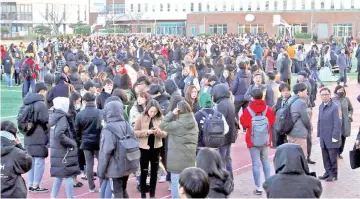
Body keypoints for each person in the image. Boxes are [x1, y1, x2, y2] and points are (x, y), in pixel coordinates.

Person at [159, 101, 199, 199]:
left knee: (176, 185)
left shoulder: (177, 125)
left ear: (178, 111)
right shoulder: (194, 122)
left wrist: (172, 114)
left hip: (177, 161)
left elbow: (162, 124)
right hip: (190, 159)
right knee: (189, 186)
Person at [240, 88, 275, 195]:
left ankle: (258, 187)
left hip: (252, 140)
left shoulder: (248, 110)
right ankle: (269, 184)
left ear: (252, 97)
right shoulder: (267, 109)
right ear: (262, 96)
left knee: (255, 163)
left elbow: (244, 123)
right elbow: (272, 121)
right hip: (265, 139)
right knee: (265, 161)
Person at [98, 100, 133, 198]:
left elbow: (105, 152)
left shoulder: (108, 129)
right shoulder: (127, 125)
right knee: (123, 189)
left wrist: (101, 171)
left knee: (117, 192)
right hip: (128, 163)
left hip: (115, 167)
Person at [134, 100, 167, 198]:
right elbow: (135, 132)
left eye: (155, 112)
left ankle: (152, 194)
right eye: (151, 111)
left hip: (156, 148)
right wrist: (147, 132)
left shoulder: (161, 118)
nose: (152, 113)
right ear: (147, 109)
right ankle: (143, 194)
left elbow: (165, 133)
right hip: (144, 148)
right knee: (143, 171)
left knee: (154, 172)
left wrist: (159, 132)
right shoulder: (141, 117)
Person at [49, 95, 80, 198]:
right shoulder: (62, 118)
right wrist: (71, 142)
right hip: (64, 150)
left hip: (57, 150)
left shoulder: (54, 115)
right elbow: (59, 134)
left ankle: (53, 196)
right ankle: (70, 196)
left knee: (59, 175)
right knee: (68, 175)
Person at [22, 82, 49, 193]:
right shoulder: (41, 104)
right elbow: (45, 121)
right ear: (42, 91)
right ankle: (36, 185)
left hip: (28, 135)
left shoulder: (26, 103)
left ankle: (31, 184)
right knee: (39, 161)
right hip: (39, 136)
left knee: (32, 161)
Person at [74, 92, 103, 192]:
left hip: (86, 142)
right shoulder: (100, 113)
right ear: (94, 100)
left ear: (84, 101)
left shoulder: (79, 114)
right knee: (101, 163)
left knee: (89, 164)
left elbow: (77, 130)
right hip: (99, 141)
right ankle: (102, 185)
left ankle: (91, 187)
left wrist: (80, 140)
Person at [1, 120, 33, 198]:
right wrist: (19, 145)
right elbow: (28, 163)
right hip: (14, 193)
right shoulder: (16, 153)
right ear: (14, 135)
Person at [211, 83, 236, 179]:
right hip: (230, 136)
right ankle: (230, 178)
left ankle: (224, 180)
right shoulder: (229, 102)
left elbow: (218, 121)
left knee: (221, 160)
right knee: (227, 158)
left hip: (223, 137)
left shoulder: (222, 105)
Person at [317, 87, 341, 182]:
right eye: (322, 95)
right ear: (320, 96)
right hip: (323, 136)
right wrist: (319, 134)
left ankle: (334, 174)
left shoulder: (335, 107)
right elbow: (319, 120)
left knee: (332, 157)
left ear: (330, 95)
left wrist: (335, 136)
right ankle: (327, 172)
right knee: (325, 156)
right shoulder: (321, 106)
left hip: (331, 137)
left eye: (326, 94)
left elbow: (337, 123)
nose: (324, 96)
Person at [286, 83, 312, 158]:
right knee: (301, 156)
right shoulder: (301, 102)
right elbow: (306, 119)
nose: (306, 93)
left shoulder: (290, 99)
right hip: (299, 132)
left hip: (290, 131)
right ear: (300, 92)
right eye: (305, 91)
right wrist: (309, 128)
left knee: (292, 155)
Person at [332, 85, 353, 159]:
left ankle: (340, 152)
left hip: (345, 123)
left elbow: (351, 109)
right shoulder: (332, 100)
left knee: (343, 137)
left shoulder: (346, 99)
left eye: (342, 90)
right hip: (336, 123)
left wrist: (349, 116)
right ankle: (335, 152)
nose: (341, 91)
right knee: (336, 137)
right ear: (335, 91)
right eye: (339, 90)